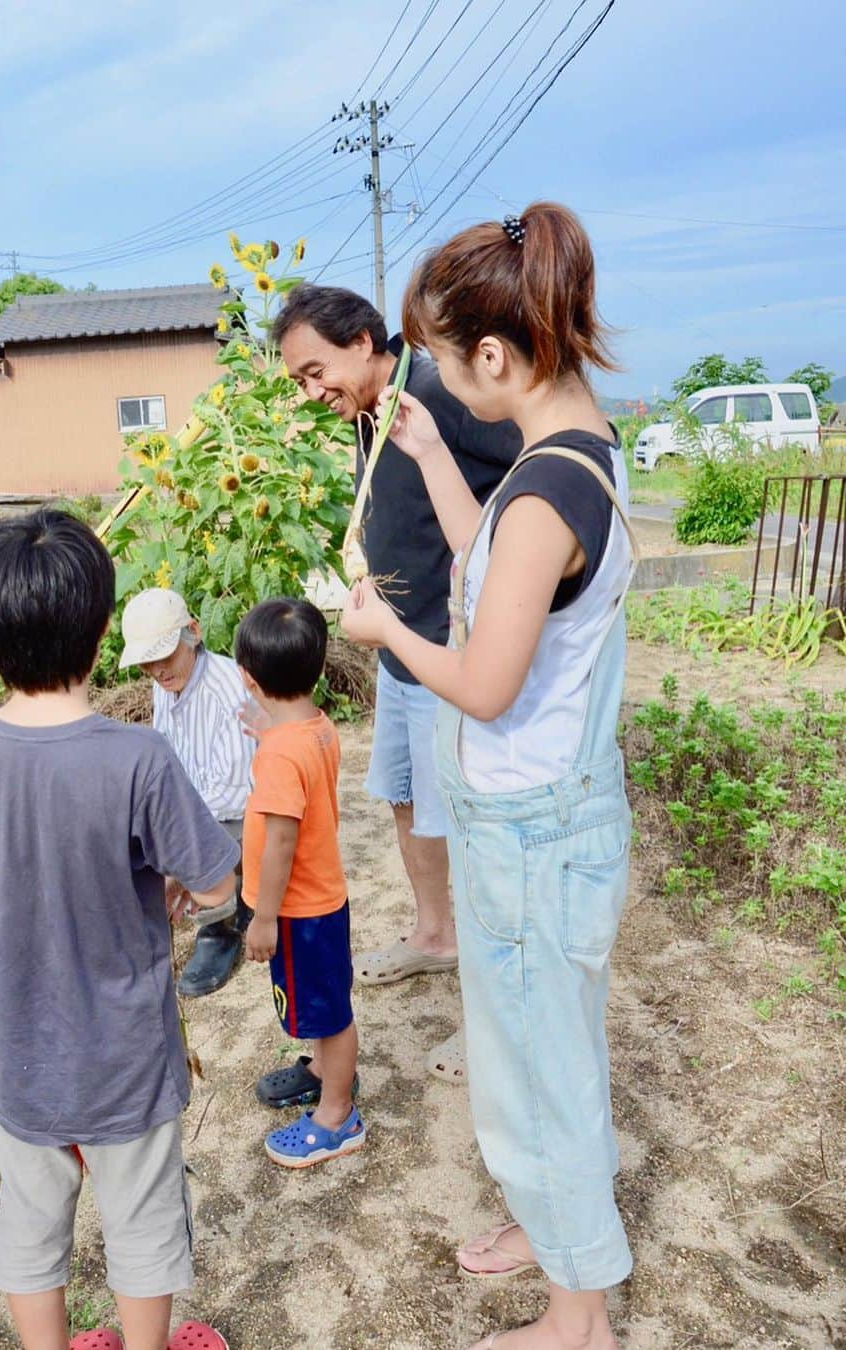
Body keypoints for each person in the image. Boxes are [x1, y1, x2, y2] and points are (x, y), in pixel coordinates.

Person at [341, 204, 638, 1350]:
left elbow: (484, 683)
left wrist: (387, 636)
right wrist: (422, 452)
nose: (445, 389)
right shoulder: (575, 462)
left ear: (497, 356)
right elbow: (494, 573)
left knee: (538, 1071)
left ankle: (577, 1318)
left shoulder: (543, 493)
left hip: (528, 832)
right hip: (555, 816)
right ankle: (549, 1232)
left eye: (447, 363)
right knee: (550, 1044)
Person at [0, 508, 234, 1350]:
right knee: (140, 1223)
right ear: (103, 634)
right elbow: (217, 883)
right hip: (125, 1063)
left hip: (21, 1059)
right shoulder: (136, 759)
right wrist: (171, 876)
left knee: (30, 1228)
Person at [274, 283, 521, 1081]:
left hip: (449, 655)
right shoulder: (371, 408)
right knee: (408, 798)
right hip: (397, 649)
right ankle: (434, 936)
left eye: (317, 371)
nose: (313, 392)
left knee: (472, 825)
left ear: (364, 341)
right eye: (300, 382)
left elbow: (519, 478)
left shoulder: (436, 394)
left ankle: (491, 1016)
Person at [234, 597, 365, 1166]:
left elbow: (281, 841)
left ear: (248, 679)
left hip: (299, 911)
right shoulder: (315, 729)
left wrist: (264, 918)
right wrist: (269, 731)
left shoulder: (279, 758)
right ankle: (322, 1071)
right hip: (321, 900)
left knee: (331, 1013)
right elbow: (294, 749)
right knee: (322, 1003)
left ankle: (337, 1116)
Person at [119, 587, 254, 998]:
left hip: (241, 815)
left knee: (212, 838)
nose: (158, 670)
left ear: (192, 633)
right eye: (148, 662)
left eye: (165, 656)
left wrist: (175, 846)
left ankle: (221, 925)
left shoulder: (227, 690)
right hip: (194, 807)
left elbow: (234, 794)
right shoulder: (167, 684)